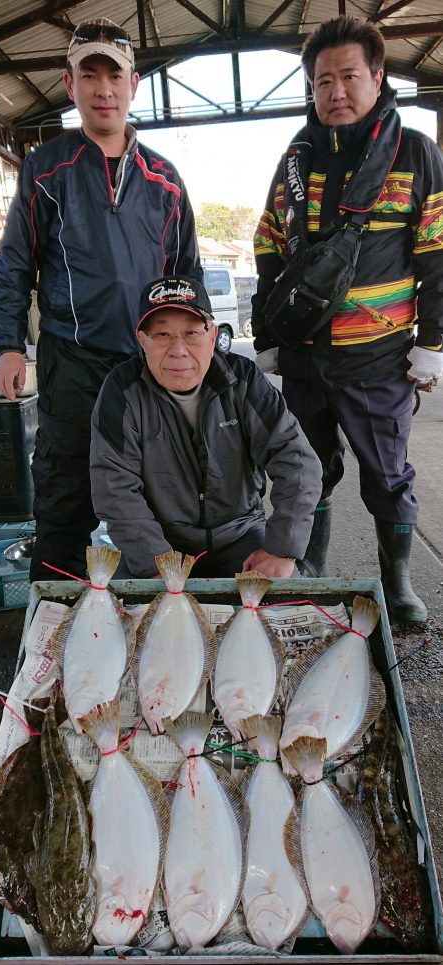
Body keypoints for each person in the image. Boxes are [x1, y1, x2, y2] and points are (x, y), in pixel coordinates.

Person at [0, 18, 201, 582]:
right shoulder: (45, 168)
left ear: (134, 85)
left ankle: (163, 614)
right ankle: (54, 621)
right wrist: (9, 346)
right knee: (63, 497)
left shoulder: (165, 179)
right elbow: (15, 264)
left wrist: (192, 354)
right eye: (90, 75)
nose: (103, 89)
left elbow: (187, 277)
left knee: (164, 493)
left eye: (115, 75)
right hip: (72, 361)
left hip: (148, 366)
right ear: (70, 84)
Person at [252, 15, 443, 622]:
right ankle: (312, 568)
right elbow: (267, 243)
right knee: (307, 468)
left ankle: (397, 582)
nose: (335, 91)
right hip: (305, 356)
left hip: (379, 358)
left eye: (349, 76)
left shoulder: (416, 152)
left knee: (387, 474)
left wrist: (432, 344)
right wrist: (266, 336)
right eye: (322, 81)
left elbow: (438, 255)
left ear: (378, 77)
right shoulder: (296, 159)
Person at [89, 274, 322, 579]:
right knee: (122, 607)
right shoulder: (122, 391)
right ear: (142, 340)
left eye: (191, 333)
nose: (178, 350)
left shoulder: (244, 380)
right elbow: (115, 488)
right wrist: (156, 564)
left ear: (212, 337)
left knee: (288, 597)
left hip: (241, 534)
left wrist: (281, 548)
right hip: (159, 541)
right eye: (162, 335)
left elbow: (297, 460)